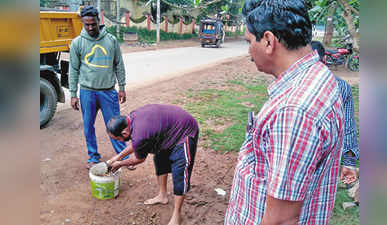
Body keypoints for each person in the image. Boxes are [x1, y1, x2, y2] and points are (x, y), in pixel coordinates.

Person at [225, 1, 345, 225]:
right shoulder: (316, 76)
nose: (249, 52)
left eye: (250, 42)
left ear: (269, 41)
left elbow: (281, 220)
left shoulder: (294, 111)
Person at [105, 104, 199, 225]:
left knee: (180, 173)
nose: (119, 142)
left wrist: (120, 164)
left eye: (118, 139)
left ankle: (177, 215)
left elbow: (139, 159)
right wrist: (117, 157)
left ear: (124, 133)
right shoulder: (131, 119)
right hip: (167, 133)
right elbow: (136, 143)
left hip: (184, 131)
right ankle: (162, 196)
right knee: (160, 161)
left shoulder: (139, 133)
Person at [69, 6, 129, 169]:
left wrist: (122, 86)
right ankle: (93, 156)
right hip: (87, 93)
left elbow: (119, 64)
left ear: (99, 21)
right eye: (86, 24)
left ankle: (123, 157)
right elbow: (73, 69)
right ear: (82, 22)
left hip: (108, 92)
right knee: (88, 126)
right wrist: (73, 94)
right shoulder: (77, 43)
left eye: (93, 24)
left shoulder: (111, 40)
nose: (90, 28)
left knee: (117, 125)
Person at [311, 40, 359, 184]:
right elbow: (348, 126)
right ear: (324, 58)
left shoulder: (292, 85)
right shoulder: (342, 87)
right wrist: (349, 162)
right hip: (326, 160)